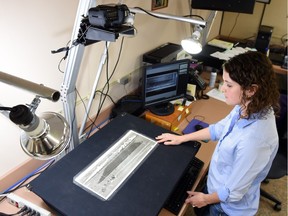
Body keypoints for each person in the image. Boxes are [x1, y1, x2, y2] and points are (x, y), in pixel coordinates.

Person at [156, 51, 280, 215]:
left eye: (229, 85)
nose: (222, 89)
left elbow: (232, 193)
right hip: (217, 184)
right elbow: (218, 129)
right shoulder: (247, 106)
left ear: (251, 90)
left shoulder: (255, 141)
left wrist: (204, 199)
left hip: (225, 208)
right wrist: (182, 138)